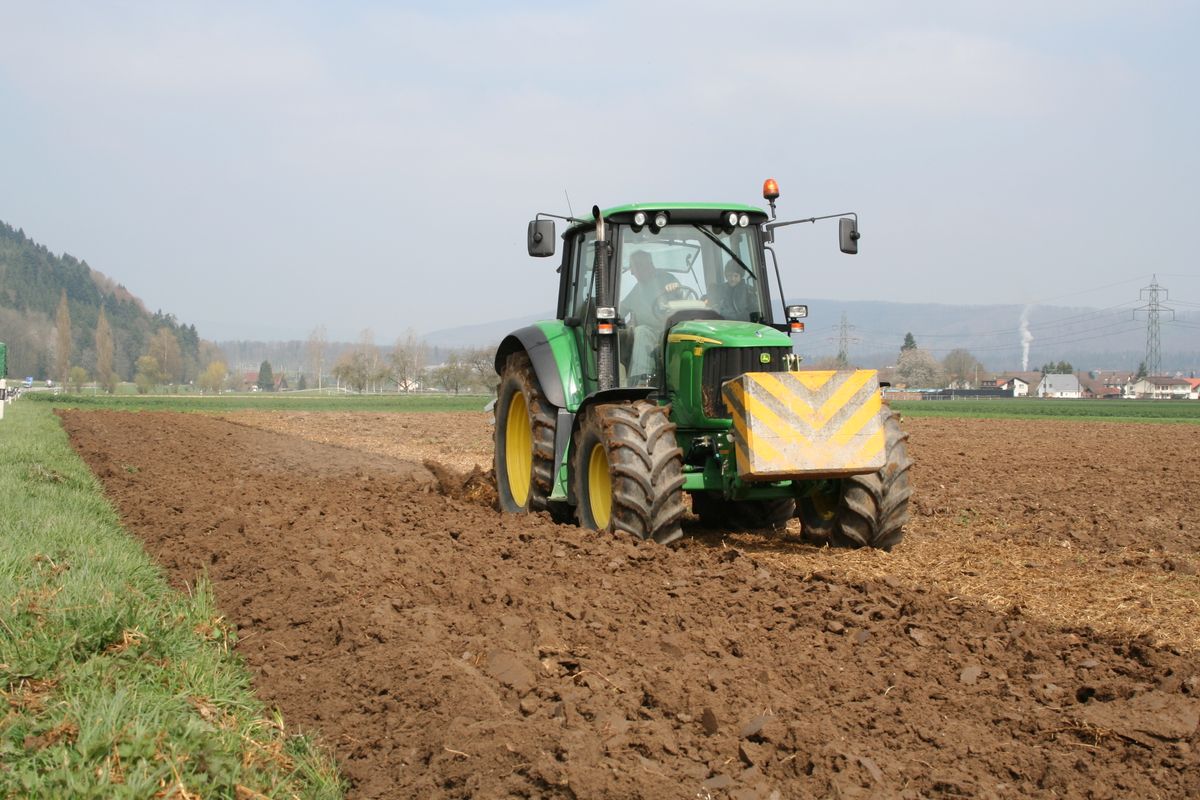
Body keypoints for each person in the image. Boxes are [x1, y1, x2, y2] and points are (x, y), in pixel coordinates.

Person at [621, 251, 679, 385]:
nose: (635, 272)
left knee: (641, 332)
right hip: (653, 336)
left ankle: (639, 384)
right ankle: (640, 384)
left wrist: (675, 289)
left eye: (640, 266)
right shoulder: (636, 290)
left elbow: (679, 292)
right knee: (640, 332)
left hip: (670, 331)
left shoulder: (667, 279)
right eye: (635, 267)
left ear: (650, 265)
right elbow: (621, 310)